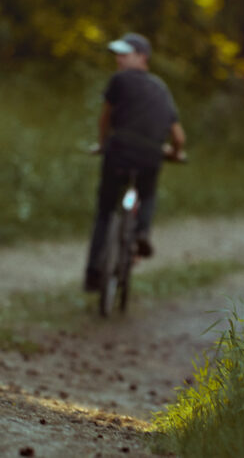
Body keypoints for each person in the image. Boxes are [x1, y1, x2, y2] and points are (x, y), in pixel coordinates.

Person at [85, 32, 186, 292]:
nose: (118, 59)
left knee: (106, 210)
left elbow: (105, 117)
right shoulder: (162, 89)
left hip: (118, 150)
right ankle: (141, 232)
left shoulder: (120, 80)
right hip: (151, 154)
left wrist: (101, 143)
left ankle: (94, 273)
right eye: (117, 54)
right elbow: (178, 136)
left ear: (142, 57)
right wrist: (175, 153)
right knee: (148, 193)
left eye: (124, 54)